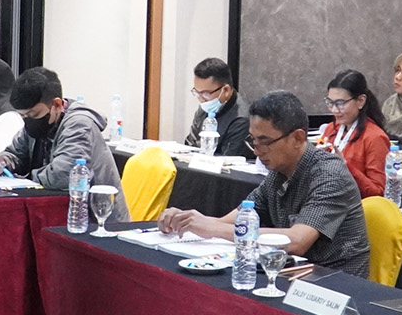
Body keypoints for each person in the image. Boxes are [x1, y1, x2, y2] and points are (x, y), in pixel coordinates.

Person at [158, 90, 371, 277]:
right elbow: (234, 220)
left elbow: (297, 241)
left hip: (333, 286)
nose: (257, 151)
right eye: (253, 140)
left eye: (265, 141)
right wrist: (189, 220)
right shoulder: (279, 172)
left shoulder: (330, 175)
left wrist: (213, 228)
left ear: (298, 138)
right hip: (291, 274)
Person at [0, 67, 130, 219]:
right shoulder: (35, 123)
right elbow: (15, 154)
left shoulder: (79, 124)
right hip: (57, 213)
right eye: (23, 116)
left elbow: (63, 174)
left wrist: (23, 179)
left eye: (33, 114)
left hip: (97, 217)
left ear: (57, 105)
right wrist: (1, 163)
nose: (28, 120)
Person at [319, 69, 390, 198]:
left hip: (355, 206)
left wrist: (345, 167)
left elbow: (378, 192)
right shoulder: (331, 129)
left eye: (340, 103)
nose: (334, 110)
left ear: (360, 101)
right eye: (330, 102)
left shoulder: (375, 137)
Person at [182, 57, 251, 158]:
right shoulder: (204, 108)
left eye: (205, 94)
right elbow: (189, 145)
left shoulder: (242, 119)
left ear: (226, 90)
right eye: (197, 92)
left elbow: (229, 159)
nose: (200, 99)